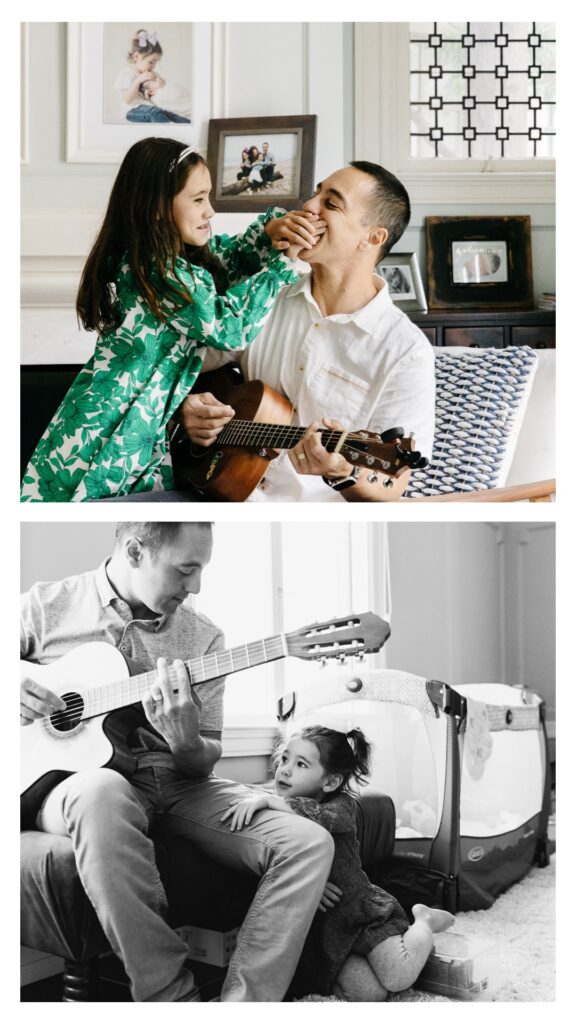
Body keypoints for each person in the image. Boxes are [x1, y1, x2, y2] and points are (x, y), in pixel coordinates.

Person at [20, 522, 334, 1002]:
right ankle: (171, 1000)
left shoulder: (205, 637)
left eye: (202, 570)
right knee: (102, 790)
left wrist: (184, 739)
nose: (196, 587)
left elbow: (204, 757)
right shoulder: (44, 605)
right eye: (186, 569)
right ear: (135, 551)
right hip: (67, 781)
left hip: (175, 780)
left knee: (309, 842)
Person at [20, 138, 325, 502]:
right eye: (198, 200)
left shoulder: (165, 260)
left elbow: (222, 261)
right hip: (113, 422)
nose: (210, 211)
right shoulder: (159, 271)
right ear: (159, 209)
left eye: (208, 197)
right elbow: (229, 327)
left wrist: (266, 234)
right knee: (88, 501)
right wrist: (284, 264)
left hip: (139, 417)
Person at [180, 160, 436, 503]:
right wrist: (184, 408)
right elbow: (177, 363)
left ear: (372, 237)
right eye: (316, 193)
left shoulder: (405, 350)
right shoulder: (266, 298)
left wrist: (342, 472)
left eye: (330, 203)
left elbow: (393, 483)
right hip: (212, 494)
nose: (309, 206)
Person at [222, 724, 454, 1000]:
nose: (284, 770)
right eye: (284, 759)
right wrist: (310, 887)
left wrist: (267, 801)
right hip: (328, 932)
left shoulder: (341, 806)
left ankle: (424, 920)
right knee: (368, 994)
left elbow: (323, 817)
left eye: (301, 764)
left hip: (359, 915)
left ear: (330, 782)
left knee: (397, 974)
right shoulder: (278, 811)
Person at [114, 28, 189, 124]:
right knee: (154, 113)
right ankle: (168, 129)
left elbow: (151, 97)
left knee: (170, 113)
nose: (153, 66)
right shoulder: (127, 74)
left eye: (156, 63)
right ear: (137, 57)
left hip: (149, 105)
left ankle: (187, 124)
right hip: (132, 110)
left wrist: (159, 86)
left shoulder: (150, 74)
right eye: (151, 62)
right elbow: (127, 100)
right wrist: (138, 81)